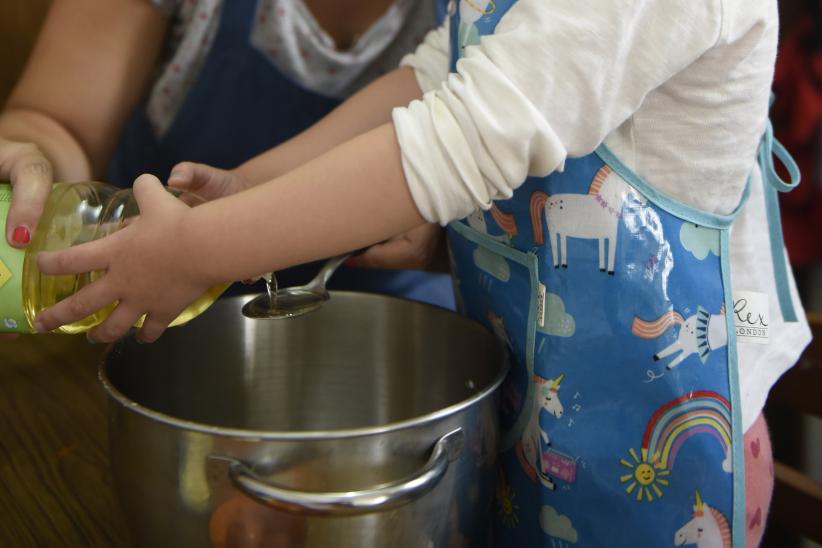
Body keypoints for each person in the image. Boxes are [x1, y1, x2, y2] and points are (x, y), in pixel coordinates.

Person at [30, 0, 813, 546]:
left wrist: (203, 252)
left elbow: (467, 136)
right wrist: (248, 190)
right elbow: (431, 80)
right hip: (538, 417)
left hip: (662, 447)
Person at [0, 0, 454, 308]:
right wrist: (29, 171)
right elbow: (59, 122)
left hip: (398, 320)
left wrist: (456, 227)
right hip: (147, 318)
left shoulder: (494, 21)